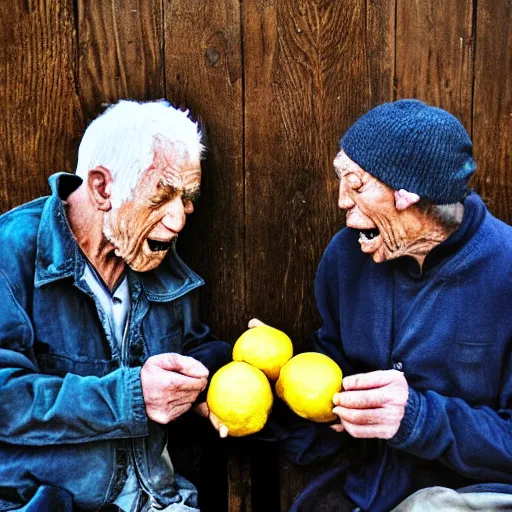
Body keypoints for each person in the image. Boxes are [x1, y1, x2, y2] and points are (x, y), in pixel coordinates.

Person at [253, 99, 512, 511]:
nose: (341, 200)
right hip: (368, 489)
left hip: (472, 496)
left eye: (356, 184)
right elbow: (334, 366)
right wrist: (274, 382)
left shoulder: (506, 270)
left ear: (408, 193)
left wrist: (417, 418)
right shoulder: (347, 257)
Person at [0, 100, 232, 511]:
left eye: (187, 197)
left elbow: (194, 346)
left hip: (160, 500)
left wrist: (205, 380)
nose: (179, 219)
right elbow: (6, 399)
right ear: (103, 188)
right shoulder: (10, 254)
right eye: (162, 195)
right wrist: (130, 397)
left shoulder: (155, 254)